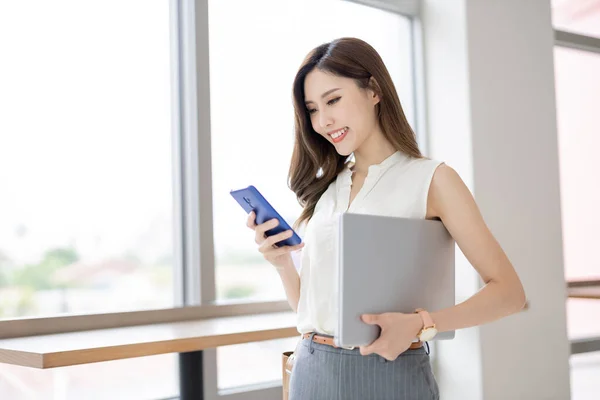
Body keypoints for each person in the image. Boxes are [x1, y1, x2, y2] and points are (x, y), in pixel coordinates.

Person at [245, 37, 526, 400]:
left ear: (373, 90)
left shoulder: (432, 179)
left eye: (333, 100)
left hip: (389, 375)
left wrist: (422, 324)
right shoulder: (327, 190)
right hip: (311, 370)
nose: (323, 121)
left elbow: (510, 293)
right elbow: (313, 311)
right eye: (312, 109)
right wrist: (283, 264)